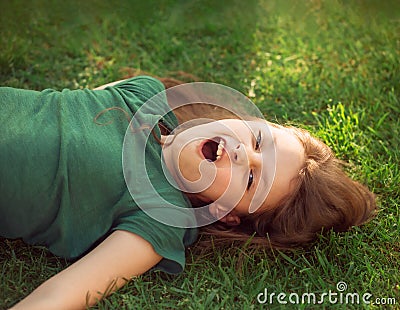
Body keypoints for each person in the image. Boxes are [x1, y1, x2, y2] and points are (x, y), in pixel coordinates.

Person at [0, 75, 376, 309]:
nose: (245, 154)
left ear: (226, 213)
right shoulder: (141, 93)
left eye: (250, 180)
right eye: (258, 139)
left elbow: (61, 296)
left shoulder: (159, 218)